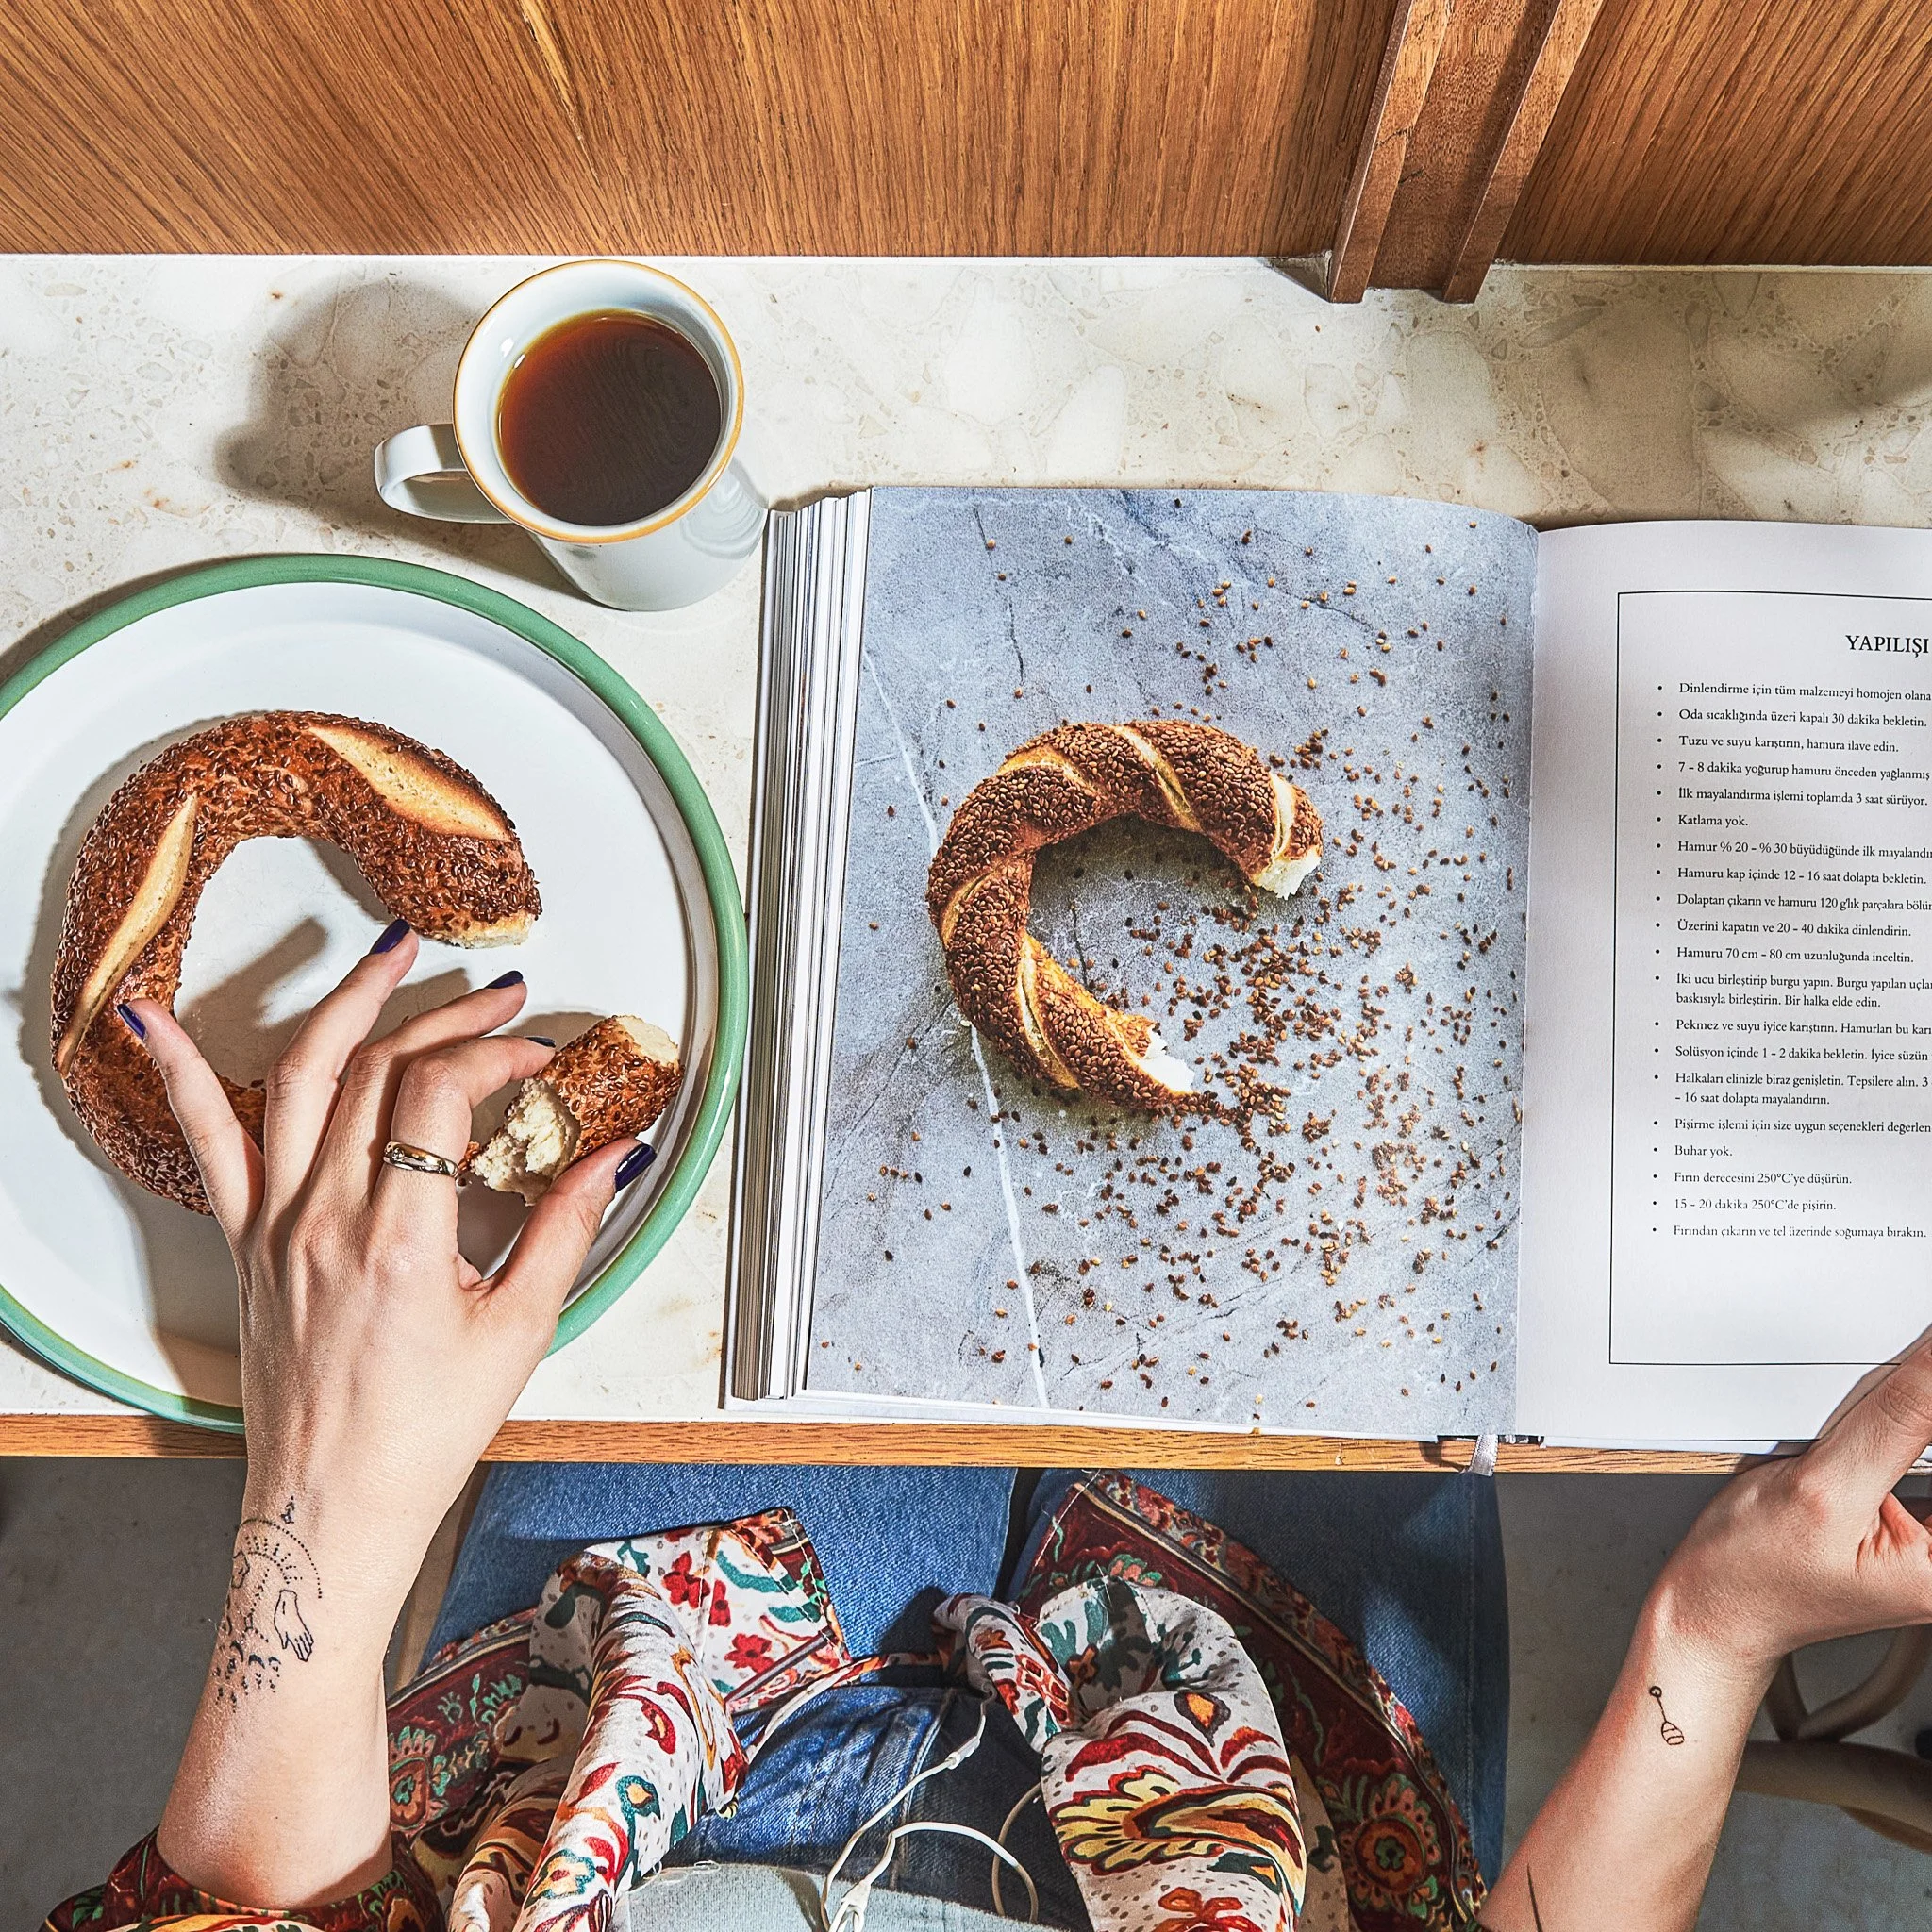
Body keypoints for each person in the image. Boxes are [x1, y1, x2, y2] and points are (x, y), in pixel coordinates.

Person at [42, 929, 1932, 1932]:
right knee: (1343, 1122)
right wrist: (1710, 1633)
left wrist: (323, 1498)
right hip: (1258, 1767)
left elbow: (230, 1916)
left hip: (623, 1727)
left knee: (791, 1031)